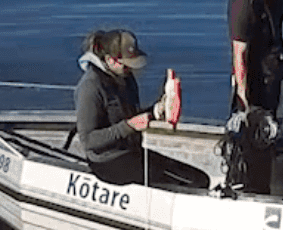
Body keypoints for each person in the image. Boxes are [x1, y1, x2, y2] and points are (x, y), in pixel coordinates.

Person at [69, 28, 210, 190]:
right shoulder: (90, 86)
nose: (131, 69)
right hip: (107, 162)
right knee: (189, 183)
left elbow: (129, 115)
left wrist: (155, 112)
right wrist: (128, 127)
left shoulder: (125, 78)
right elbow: (88, 141)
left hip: (132, 152)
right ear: (110, 60)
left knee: (198, 178)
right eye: (126, 65)